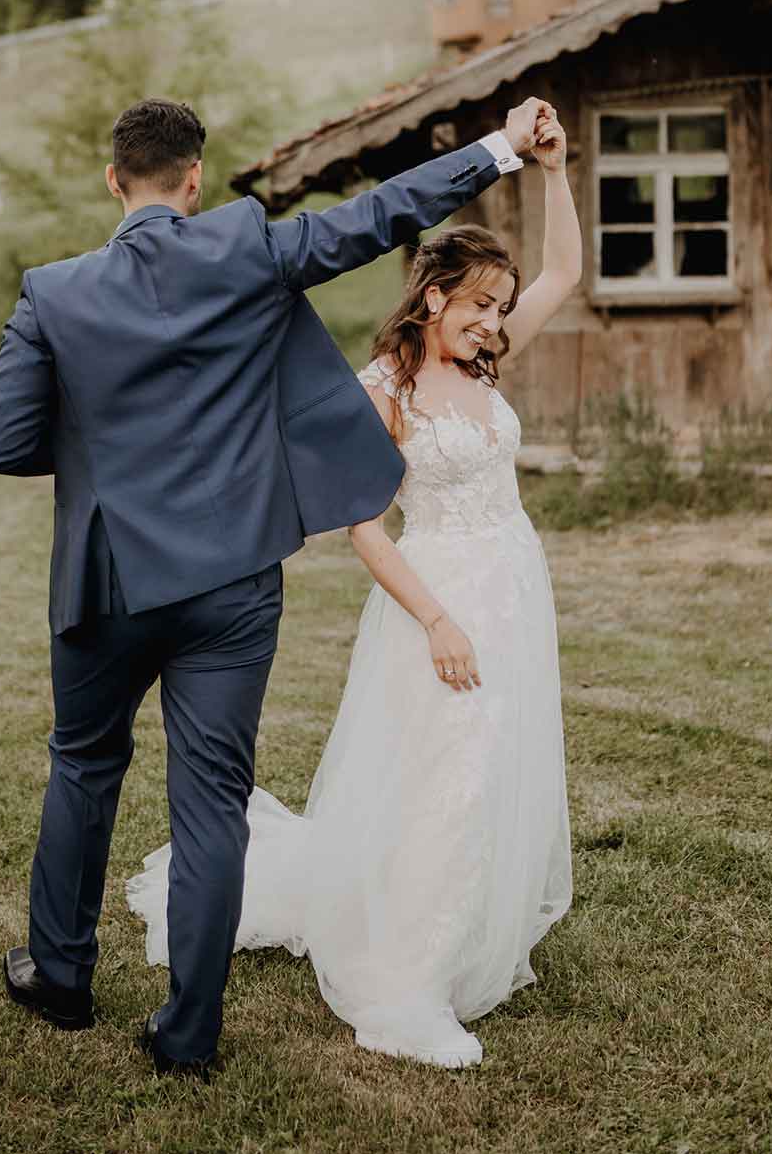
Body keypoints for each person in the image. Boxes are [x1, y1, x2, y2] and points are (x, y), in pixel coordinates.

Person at [0, 93, 550, 1077]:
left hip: (105, 579)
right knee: (209, 806)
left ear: (115, 181)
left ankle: (60, 976)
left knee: (83, 766)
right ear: (193, 180)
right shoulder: (243, 248)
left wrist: (99, 445)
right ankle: (187, 1034)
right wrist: (498, 146)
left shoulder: (53, 292)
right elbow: (380, 217)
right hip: (231, 582)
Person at [127, 107, 579, 1067]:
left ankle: (463, 934)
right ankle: (405, 985)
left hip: (513, 584)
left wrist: (555, 173)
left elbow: (567, 276)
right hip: (438, 596)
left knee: (494, 764)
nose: (495, 320)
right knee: (443, 777)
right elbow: (359, 523)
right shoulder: (386, 392)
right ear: (431, 301)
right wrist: (436, 618)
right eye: (478, 305)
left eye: (501, 307)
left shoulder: (492, 365)